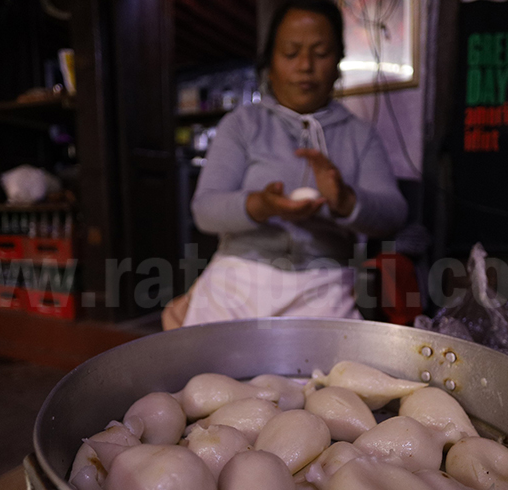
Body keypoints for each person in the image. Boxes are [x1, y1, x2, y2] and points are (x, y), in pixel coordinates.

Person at [174, 0, 408, 328]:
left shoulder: (360, 135)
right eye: (290, 52)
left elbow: (394, 214)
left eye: (321, 52)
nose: (305, 66)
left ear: (339, 60)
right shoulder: (242, 124)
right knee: (207, 376)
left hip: (324, 283)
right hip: (239, 276)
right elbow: (205, 210)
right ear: (270, 62)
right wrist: (261, 205)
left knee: (327, 378)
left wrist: (345, 201)